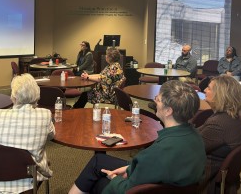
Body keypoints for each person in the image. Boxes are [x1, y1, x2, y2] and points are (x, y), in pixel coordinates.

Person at [68, 80, 206, 194]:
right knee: (98, 160)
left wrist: (115, 178)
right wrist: (128, 168)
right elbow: (151, 167)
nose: (155, 101)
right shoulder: (195, 137)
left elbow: (129, 189)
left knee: (97, 180)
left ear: (169, 111)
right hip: (164, 180)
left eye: (158, 99)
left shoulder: (159, 151)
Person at [0, 73, 55, 193]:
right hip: (27, 181)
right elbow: (51, 135)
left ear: (14, 97)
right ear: (36, 94)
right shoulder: (44, 115)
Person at [198, 75, 241, 194]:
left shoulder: (218, 123)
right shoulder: (231, 116)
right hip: (219, 167)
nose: (204, 90)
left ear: (220, 95)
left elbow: (191, 148)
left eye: (208, 88)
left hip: (206, 172)